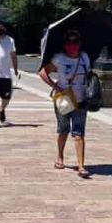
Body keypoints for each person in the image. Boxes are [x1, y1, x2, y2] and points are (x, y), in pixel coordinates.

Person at [38, 30, 91, 178]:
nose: (72, 45)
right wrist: (55, 87)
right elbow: (43, 72)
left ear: (79, 44)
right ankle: (60, 156)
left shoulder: (84, 57)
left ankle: (81, 166)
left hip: (81, 99)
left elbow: (89, 75)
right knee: (63, 129)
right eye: (69, 42)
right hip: (64, 98)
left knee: (79, 133)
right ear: (65, 44)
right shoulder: (59, 59)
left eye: (75, 42)